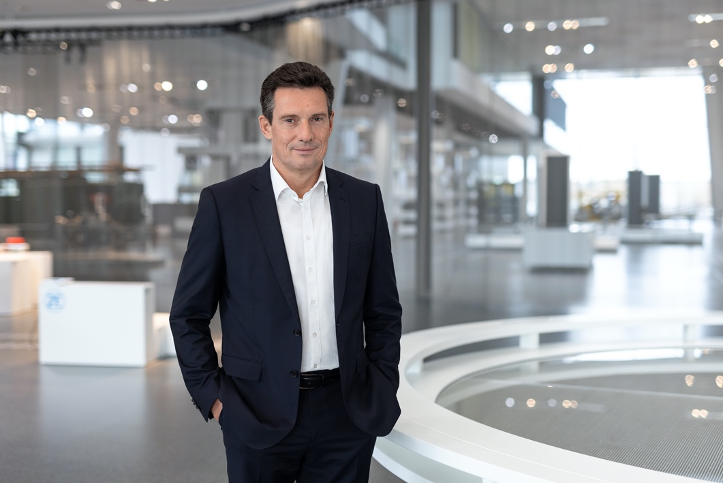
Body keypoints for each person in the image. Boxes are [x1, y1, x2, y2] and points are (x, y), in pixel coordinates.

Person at [169, 61, 403, 482]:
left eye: (316, 119)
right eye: (290, 120)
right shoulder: (225, 204)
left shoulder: (364, 200)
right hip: (255, 410)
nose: (305, 134)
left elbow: (383, 309)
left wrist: (382, 382)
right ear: (267, 126)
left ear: (331, 122)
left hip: (347, 412)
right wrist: (216, 399)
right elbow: (188, 315)